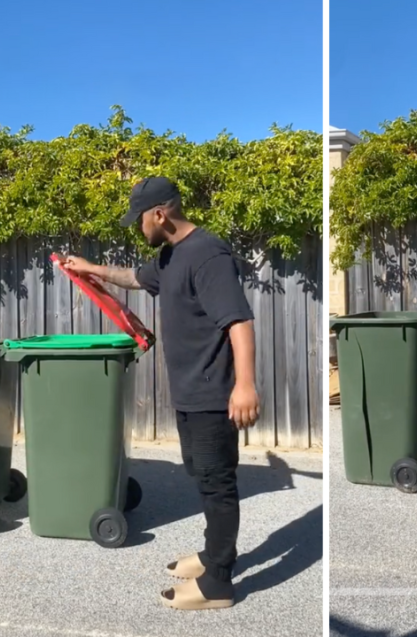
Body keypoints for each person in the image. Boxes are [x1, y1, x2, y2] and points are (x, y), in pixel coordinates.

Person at [61, 176, 259, 610]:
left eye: (139, 221)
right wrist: (91, 268)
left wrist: (245, 384)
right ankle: (212, 555)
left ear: (160, 214)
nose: (138, 229)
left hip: (213, 392)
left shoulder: (208, 254)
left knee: (217, 483)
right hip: (189, 390)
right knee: (201, 475)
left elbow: (239, 322)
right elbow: (134, 277)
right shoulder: (171, 257)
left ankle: (219, 582)